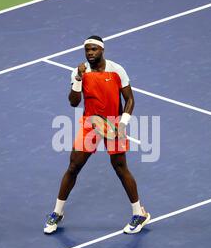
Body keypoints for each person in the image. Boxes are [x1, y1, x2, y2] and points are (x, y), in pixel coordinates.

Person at [44, 35, 150, 235]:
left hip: (114, 123)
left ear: (102, 50)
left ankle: (139, 213)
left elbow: (129, 100)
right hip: (90, 123)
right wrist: (77, 79)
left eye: (94, 49)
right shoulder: (79, 72)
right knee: (74, 166)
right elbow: (74, 102)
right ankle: (57, 212)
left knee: (120, 167)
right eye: (87, 50)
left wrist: (122, 124)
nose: (90, 53)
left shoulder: (117, 70)